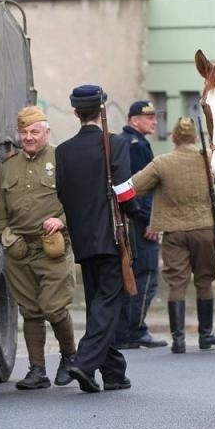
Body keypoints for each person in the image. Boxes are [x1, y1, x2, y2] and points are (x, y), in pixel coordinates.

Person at [55, 84, 135, 394]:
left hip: (83, 238)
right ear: (102, 109)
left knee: (99, 304)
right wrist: (136, 214)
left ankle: (113, 372)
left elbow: (62, 193)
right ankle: (84, 362)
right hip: (111, 235)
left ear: (75, 112)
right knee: (108, 304)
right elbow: (125, 192)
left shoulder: (63, 151)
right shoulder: (115, 144)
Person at [0, 105, 79, 389]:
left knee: (54, 308)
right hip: (19, 252)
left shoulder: (62, 159)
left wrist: (61, 221)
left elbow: (78, 204)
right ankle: (37, 370)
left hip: (52, 248)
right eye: (24, 132)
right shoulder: (8, 165)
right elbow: (0, 214)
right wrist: (6, 236)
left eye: (34, 131)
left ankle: (69, 358)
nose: (28, 137)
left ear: (46, 132)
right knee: (30, 311)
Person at [128, 117, 215, 354]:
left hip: (174, 232)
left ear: (173, 138)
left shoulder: (162, 163)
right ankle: (205, 335)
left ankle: (178, 340)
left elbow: (135, 186)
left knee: (176, 283)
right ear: (195, 138)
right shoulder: (207, 159)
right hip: (203, 229)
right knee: (204, 280)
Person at [117, 100, 165, 349]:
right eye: (149, 118)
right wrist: (150, 221)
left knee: (135, 274)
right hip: (139, 220)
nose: (154, 121)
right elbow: (138, 188)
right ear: (134, 120)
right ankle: (132, 330)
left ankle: (132, 328)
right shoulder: (137, 146)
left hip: (130, 219)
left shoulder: (128, 142)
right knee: (145, 274)